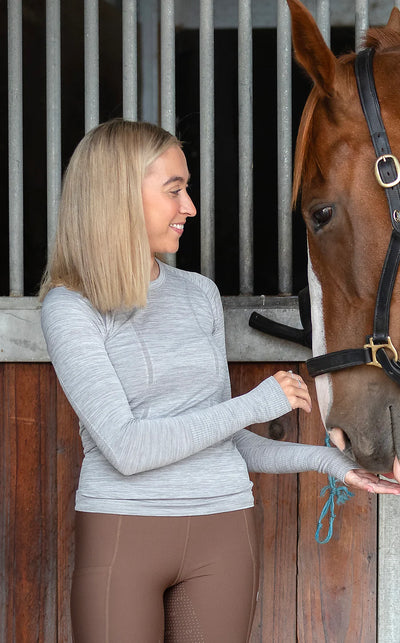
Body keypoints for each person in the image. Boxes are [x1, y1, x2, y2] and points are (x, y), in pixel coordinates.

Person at [39, 119, 400, 643]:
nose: (189, 207)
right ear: (117, 195)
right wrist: (254, 404)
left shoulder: (199, 294)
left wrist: (333, 463)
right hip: (123, 532)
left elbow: (224, 442)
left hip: (224, 530)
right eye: (174, 191)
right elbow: (125, 447)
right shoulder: (70, 307)